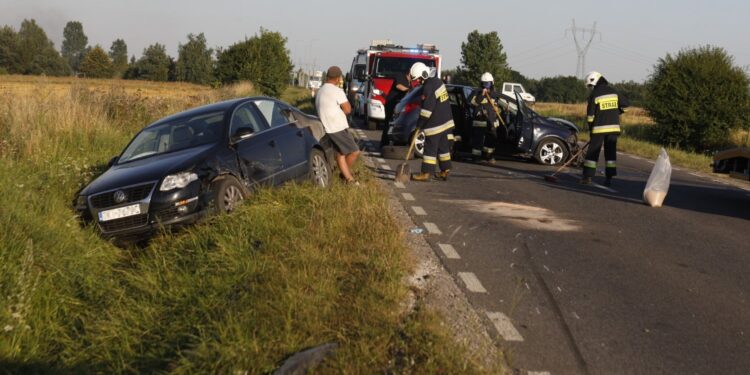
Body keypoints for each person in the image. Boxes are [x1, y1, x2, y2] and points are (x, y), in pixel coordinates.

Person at [580, 71, 629, 186]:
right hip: (613, 129)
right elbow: (626, 106)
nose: (591, 88)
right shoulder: (614, 91)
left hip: (599, 129)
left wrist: (591, 131)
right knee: (610, 154)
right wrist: (616, 112)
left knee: (592, 154)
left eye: (591, 86)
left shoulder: (594, 95)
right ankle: (609, 178)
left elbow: (590, 117)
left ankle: (587, 177)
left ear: (595, 81)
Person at [315, 66, 361, 184]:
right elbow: (347, 109)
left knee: (341, 154)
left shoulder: (320, 90)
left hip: (327, 127)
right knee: (355, 151)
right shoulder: (337, 91)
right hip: (337, 127)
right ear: (338, 78)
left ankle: (348, 178)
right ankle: (344, 175)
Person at [409, 62, 454, 182]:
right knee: (443, 148)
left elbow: (427, 110)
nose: (417, 82)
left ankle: (426, 173)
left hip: (435, 124)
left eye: (418, 79)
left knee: (430, 148)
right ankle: (445, 170)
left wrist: (419, 124)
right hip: (446, 121)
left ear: (423, 75)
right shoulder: (437, 82)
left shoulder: (428, 87)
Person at [467, 72, 501, 164]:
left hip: (491, 122)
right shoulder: (476, 93)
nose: (486, 86)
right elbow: (471, 103)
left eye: (488, 84)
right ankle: (476, 157)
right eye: (485, 84)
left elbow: (497, 107)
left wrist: (498, 110)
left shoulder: (494, 94)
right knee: (478, 140)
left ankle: (489, 156)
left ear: (492, 83)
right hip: (479, 121)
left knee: (491, 140)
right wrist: (481, 95)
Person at [380, 71, 410, 148]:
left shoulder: (411, 82)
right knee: (388, 122)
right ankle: (384, 143)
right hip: (391, 102)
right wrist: (408, 90)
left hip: (399, 104)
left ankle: (397, 142)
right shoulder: (400, 75)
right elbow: (398, 86)